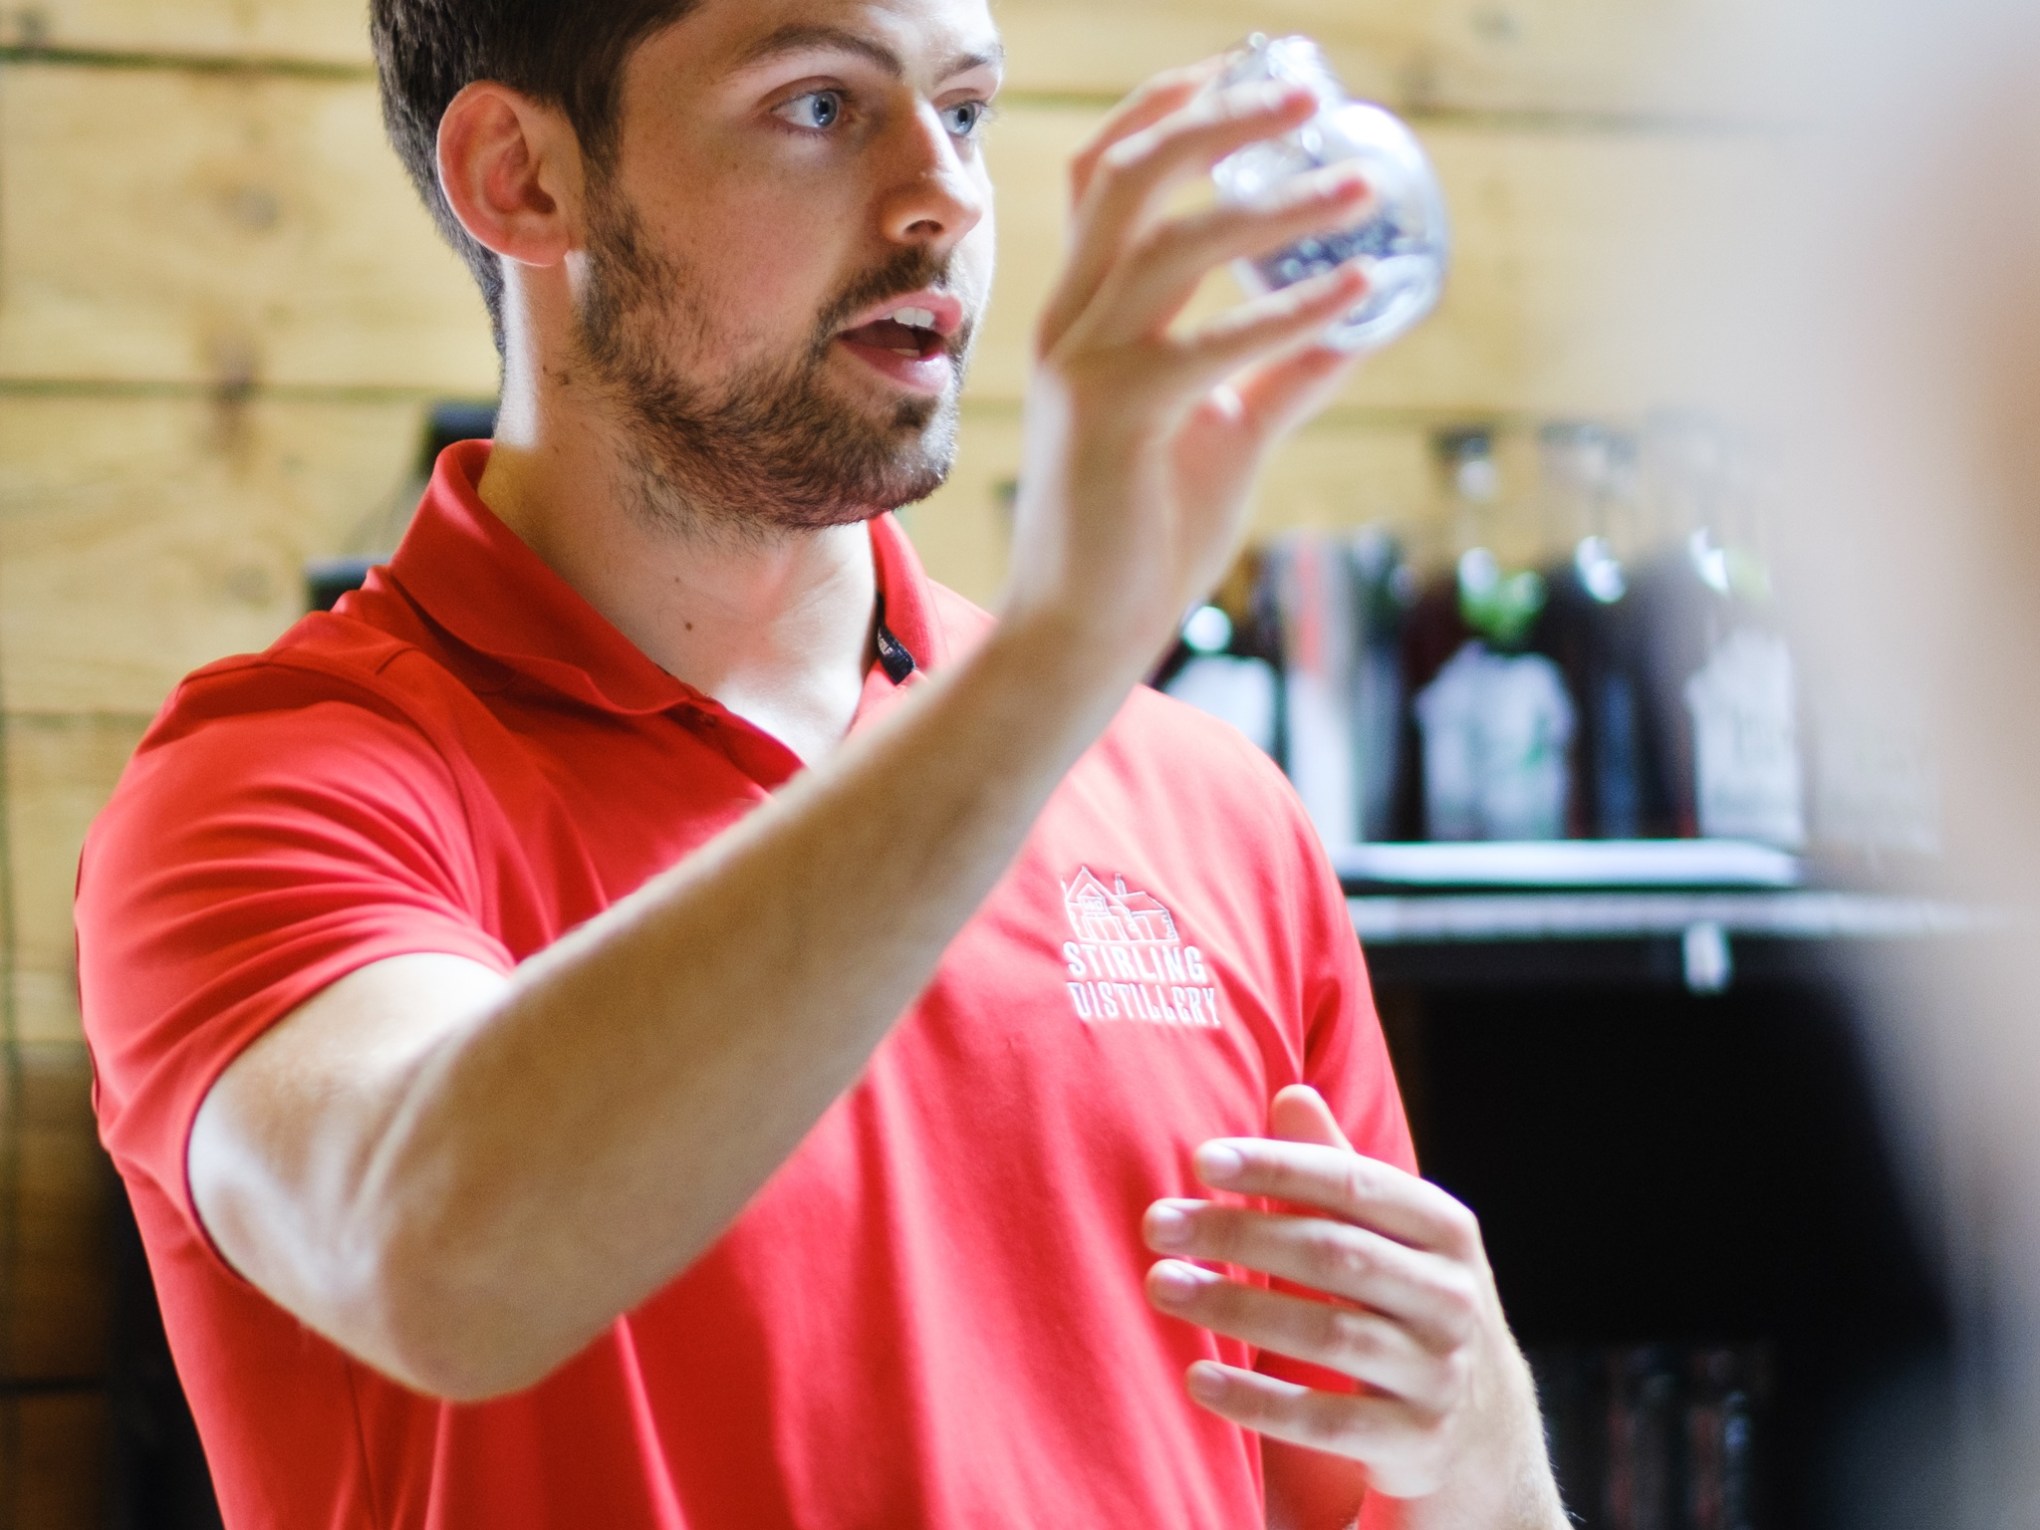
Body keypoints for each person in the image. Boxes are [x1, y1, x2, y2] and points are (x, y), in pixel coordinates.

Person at [75, 1, 1566, 1525]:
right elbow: (440, 1258)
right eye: (819, 106)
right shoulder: (274, 787)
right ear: (521, 176)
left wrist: (1492, 1448)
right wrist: (1057, 662)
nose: (945, 197)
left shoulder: (1210, 807)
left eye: (964, 111)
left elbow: (1396, 1486)